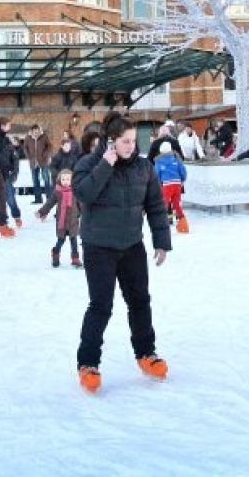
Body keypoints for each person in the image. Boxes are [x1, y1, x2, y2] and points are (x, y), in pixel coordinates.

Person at [73, 121, 173, 394]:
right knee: (101, 306)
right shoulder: (87, 164)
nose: (131, 146)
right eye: (125, 141)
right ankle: (88, 363)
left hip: (131, 246)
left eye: (133, 141)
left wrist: (161, 241)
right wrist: (105, 164)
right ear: (110, 142)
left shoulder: (144, 168)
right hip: (98, 246)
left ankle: (146, 354)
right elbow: (84, 194)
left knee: (140, 301)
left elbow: (155, 205)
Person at [38, 167, 83, 267]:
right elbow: (50, 203)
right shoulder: (57, 192)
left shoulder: (75, 192)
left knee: (73, 241)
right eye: (63, 179)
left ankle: (75, 259)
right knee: (60, 241)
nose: (65, 182)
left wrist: (87, 213)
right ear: (59, 180)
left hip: (73, 221)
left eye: (68, 179)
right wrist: (42, 212)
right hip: (61, 222)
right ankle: (55, 254)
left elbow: (81, 204)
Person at [154, 142, 190, 234]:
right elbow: (183, 171)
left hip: (166, 185)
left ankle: (161, 225)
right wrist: (182, 180)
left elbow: (156, 175)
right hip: (177, 184)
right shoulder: (176, 158)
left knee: (164, 204)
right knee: (177, 204)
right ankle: (183, 225)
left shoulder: (159, 161)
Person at [24, 123, 53, 203]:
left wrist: (45, 154)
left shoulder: (44, 137)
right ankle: (38, 199)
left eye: (37, 131)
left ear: (39, 130)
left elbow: (49, 146)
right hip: (33, 162)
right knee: (35, 180)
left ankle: (49, 199)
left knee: (46, 179)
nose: (36, 132)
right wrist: (29, 156)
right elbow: (25, 148)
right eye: (34, 131)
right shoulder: (28, 138)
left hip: (43, 161)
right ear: (32, 131)